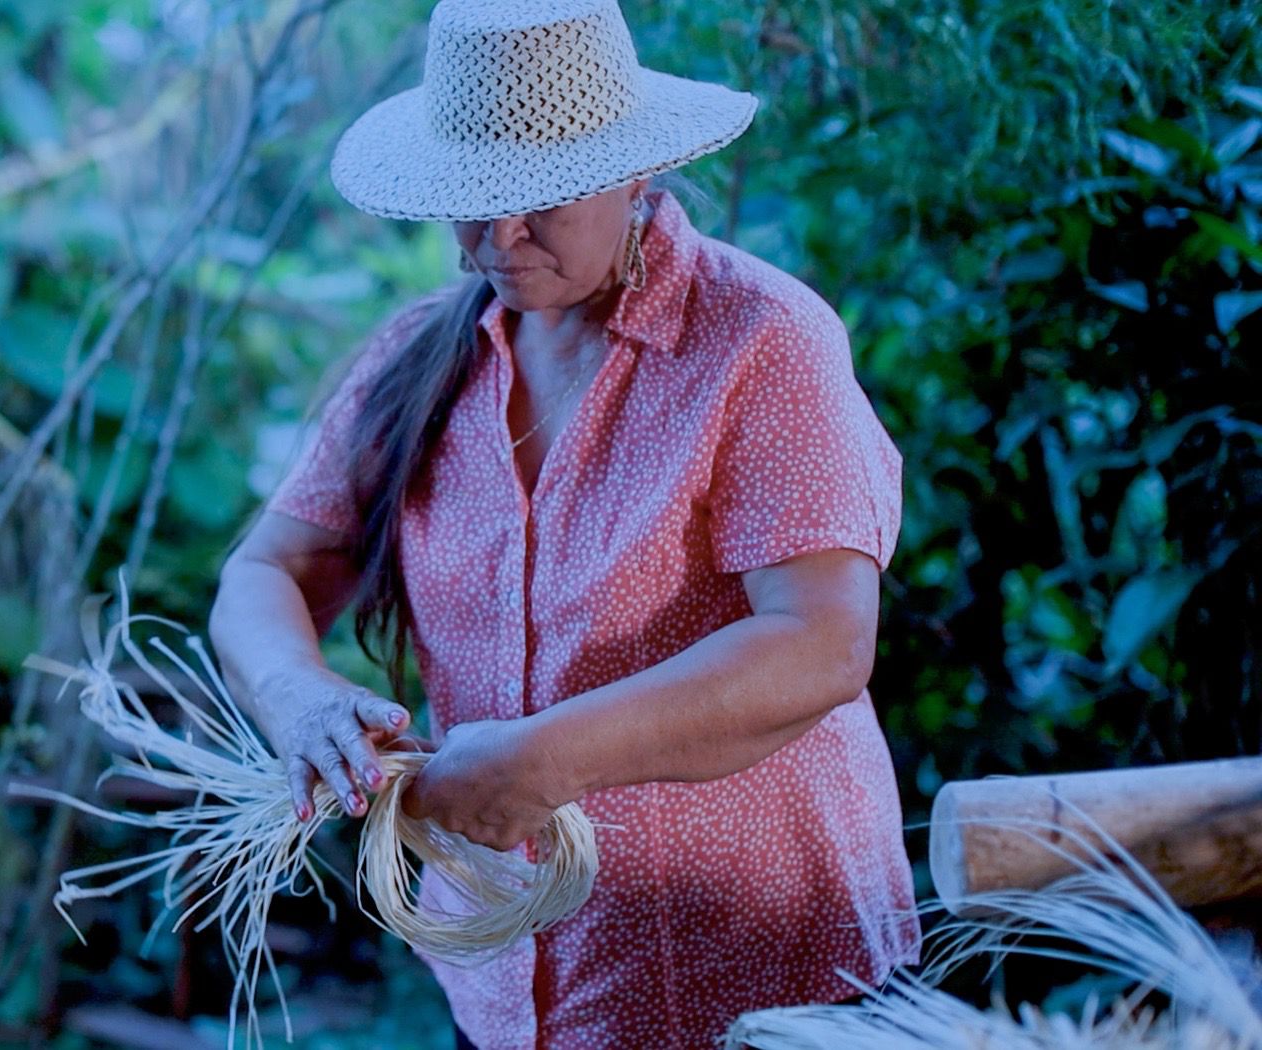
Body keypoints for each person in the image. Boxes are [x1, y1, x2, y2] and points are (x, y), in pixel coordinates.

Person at [208, 0, 921, 1045]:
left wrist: (544, 761)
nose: (497, 236)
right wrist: (300, 698)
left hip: (763, 981)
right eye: (468, 198)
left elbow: (820, 642)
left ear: (638, 171)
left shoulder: (760, 341)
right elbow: (265, 572)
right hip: (507, 990)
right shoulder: (419, 360)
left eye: (535, 196)